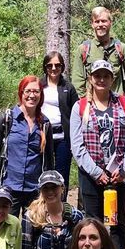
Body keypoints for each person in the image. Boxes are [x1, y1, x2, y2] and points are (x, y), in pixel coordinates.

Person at [70, 60, 125, 249]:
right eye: (97, 76)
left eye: (106, 76)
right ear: (90, 78)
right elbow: (77, 146)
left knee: (117, 223)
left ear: (112, 79)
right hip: (91, 175)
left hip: (119, 175)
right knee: (93, 223)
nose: (101, 80)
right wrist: (96, 172)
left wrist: (124, 169)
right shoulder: (80, 107)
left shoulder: (124, 104)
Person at [0, 76, 56, 213]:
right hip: (8, 189)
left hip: (35, 190)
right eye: (28, 91)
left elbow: (48, 161)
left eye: (36, 91)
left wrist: (48, 188)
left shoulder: (45, 124)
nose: (32, 95)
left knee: (34, 226)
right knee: (6, 226)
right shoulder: (6, 120)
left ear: (41, 94)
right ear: (21, 93)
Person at [70, 6, 125, 99]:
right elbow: (77, 82)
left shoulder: (122, 49)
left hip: (117, 104)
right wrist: (84, 103)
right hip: (92, 104)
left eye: (104, 21)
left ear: (110, 23)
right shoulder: (83, 49)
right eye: (97, 21)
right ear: (92, 24)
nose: (100, 24)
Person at [40, 51, 79, 194]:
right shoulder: (39, 85)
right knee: (44, 172)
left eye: (57, 65)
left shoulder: (68, 87)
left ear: (62, 67)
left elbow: (76, 112)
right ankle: (43, 204)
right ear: (45, 67)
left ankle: (62, 204)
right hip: (43, 136)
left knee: (62, 175)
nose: (53, 68)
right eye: (49, 65)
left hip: (63, 137)